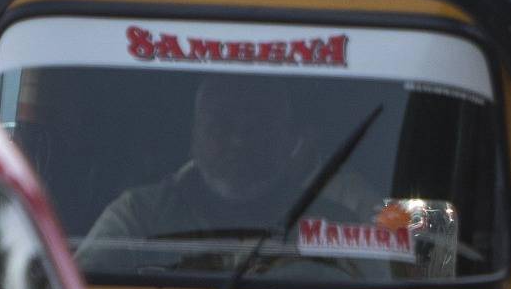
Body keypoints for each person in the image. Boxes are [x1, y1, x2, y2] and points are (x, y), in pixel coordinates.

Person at [83, 78, 376, 257]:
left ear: (289, 140)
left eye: (258, 126)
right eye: (221, 124)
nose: (238, 140)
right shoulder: (137, 218)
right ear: (194, 135)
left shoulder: (338, 226)